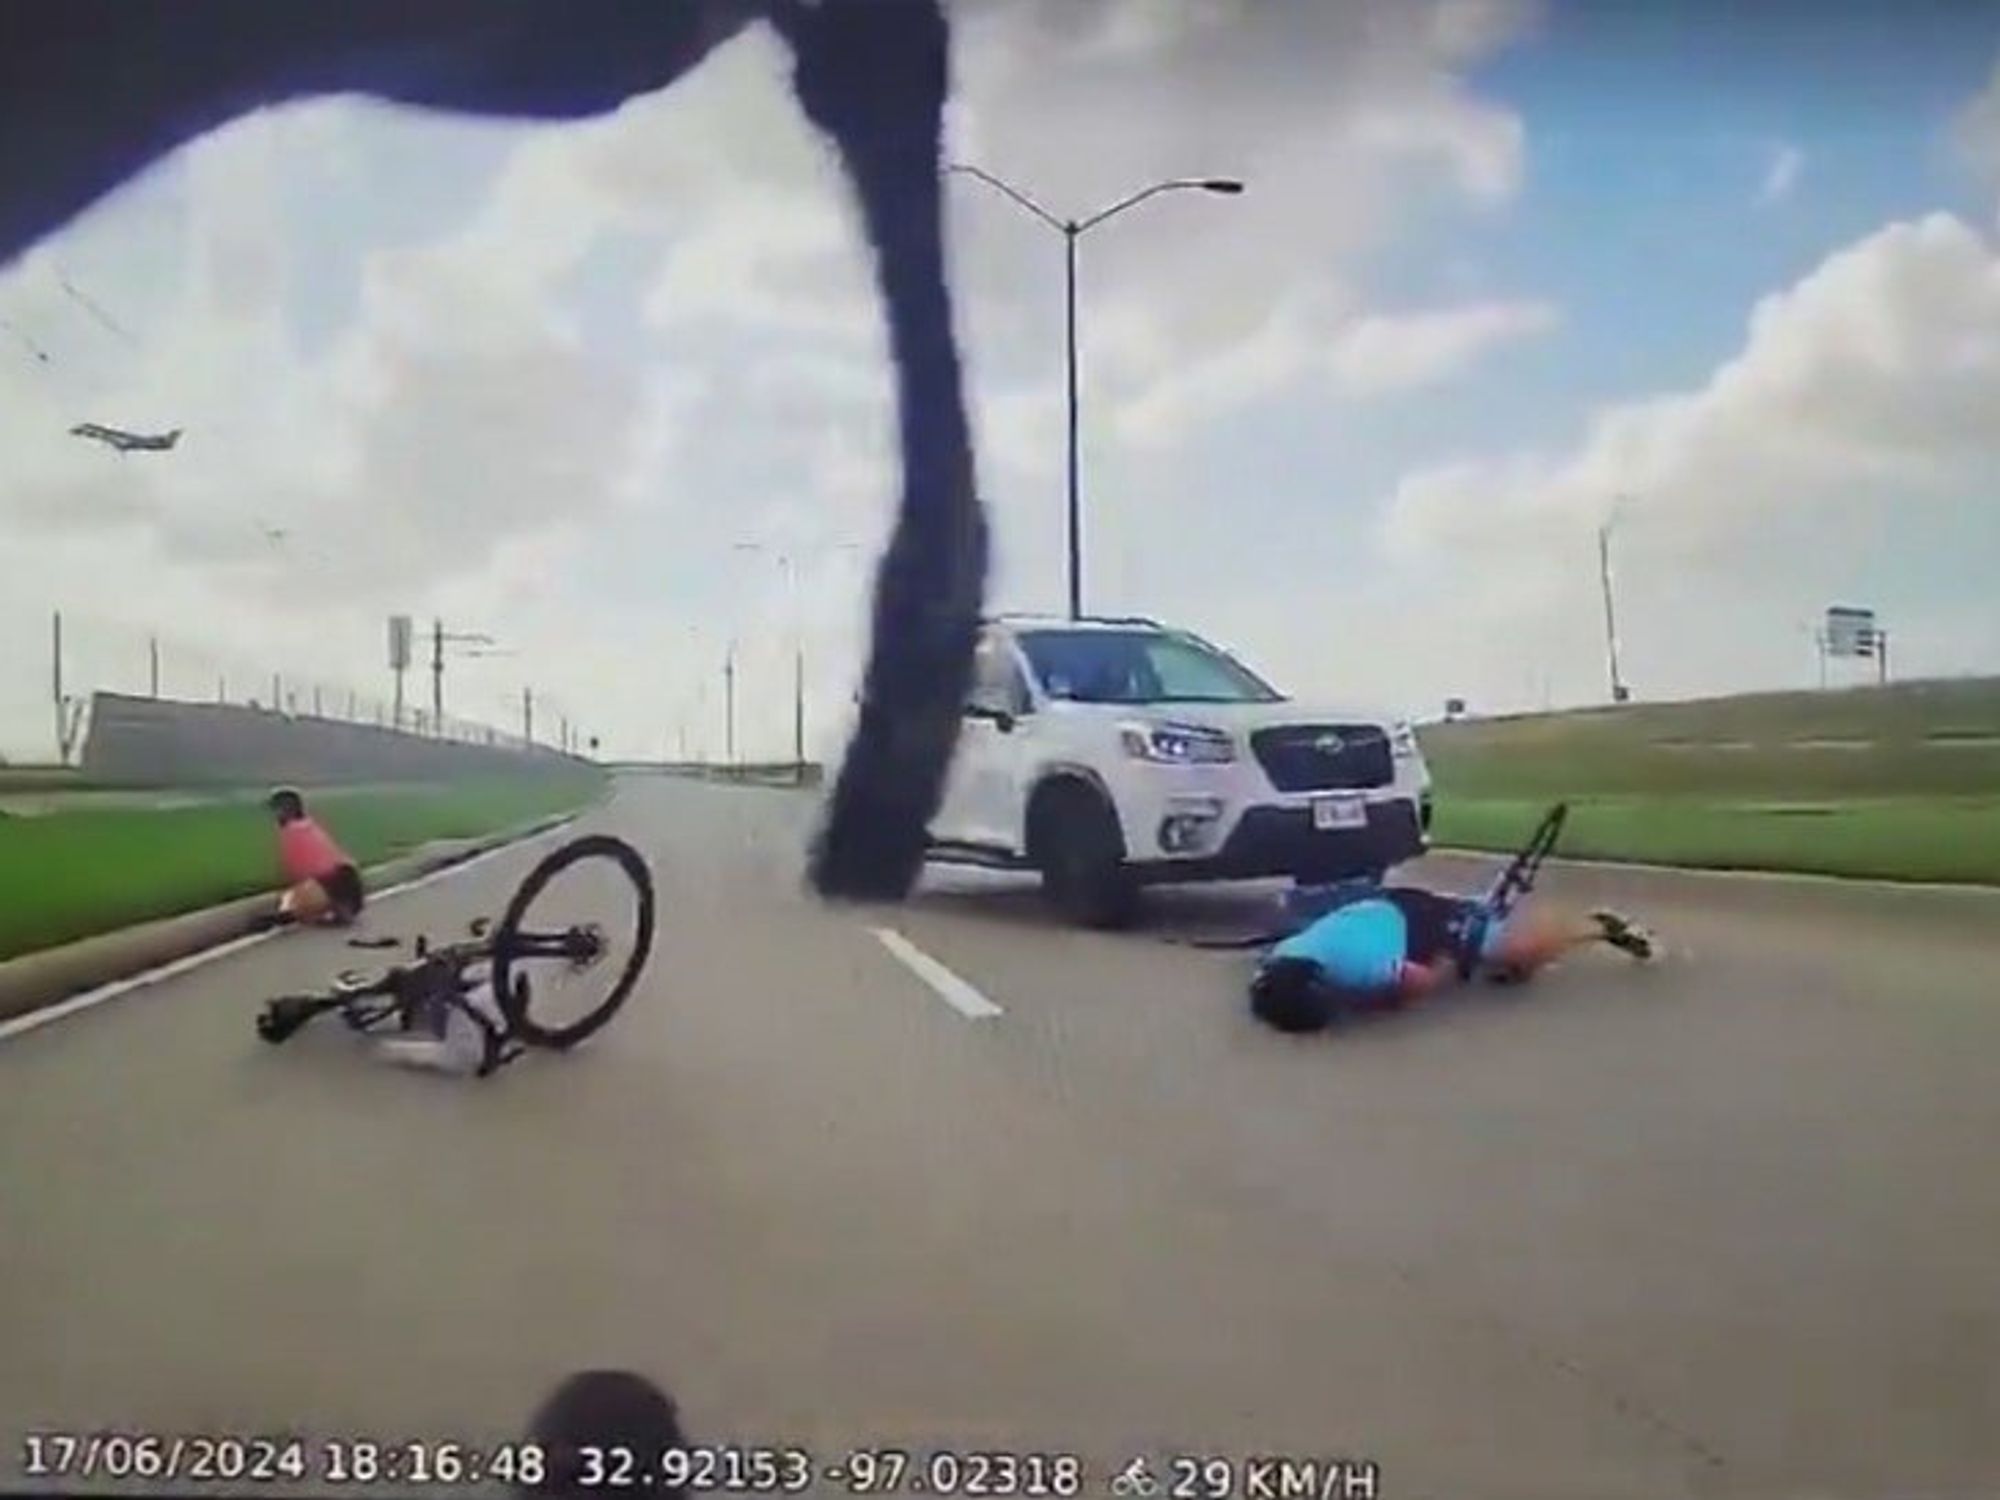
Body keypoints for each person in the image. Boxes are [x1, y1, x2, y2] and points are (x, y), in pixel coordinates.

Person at [1249, 878, 1656, 1033]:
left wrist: (1440, 963)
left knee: (1513, 953)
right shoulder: (1287, 954)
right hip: (1375, 908)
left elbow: (1421, 983)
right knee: (1504, 961)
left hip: (1412, 921)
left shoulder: (1362, 971)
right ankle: (1492, 932)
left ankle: (1600, 926)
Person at [268, 787, 365, 927]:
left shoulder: (292, 832)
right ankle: (339, 907)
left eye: (277, 810)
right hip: (349, 877)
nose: (275, 815)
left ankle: (330, 906)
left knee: (291, 899)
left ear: (286, 811)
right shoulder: (310, 825)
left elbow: (299, 872)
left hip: (331, 882)